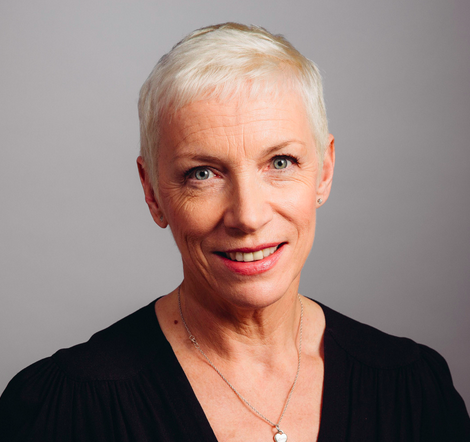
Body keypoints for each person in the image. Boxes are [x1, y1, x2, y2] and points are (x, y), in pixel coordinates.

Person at [0, 22, 469, 442]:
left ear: (324, 172)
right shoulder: (64, 409)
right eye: (202, 173)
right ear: (152, 192)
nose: (247, 216)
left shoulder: (414, 390)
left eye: (280, 162)